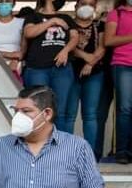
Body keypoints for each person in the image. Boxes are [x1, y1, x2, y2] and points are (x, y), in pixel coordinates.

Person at [22, 0, 80, 133]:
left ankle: (60, 144)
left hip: (62, 69)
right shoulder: (33, 16)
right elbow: (29, 32)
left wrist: (65, 51)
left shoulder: (66, 17)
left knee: (60, 110)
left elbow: (74, 38)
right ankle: (41, 143)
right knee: (39, 110)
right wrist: (52, 21)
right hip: (37, 68)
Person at [64, 0, 107, 155]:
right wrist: (86, 56)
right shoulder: (68, 24)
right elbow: (68, 46)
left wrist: (90, 63)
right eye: (83, 3)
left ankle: (89, 154)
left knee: (90, 115)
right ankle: (67, 153)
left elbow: (102, 47)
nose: (87, 7)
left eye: (91, 4)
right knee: (69, 115)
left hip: (94, 74)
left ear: (95, 7)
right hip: (70, 73)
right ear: (76, 6)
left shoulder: (100, 25)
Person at [105, 0, 132, 163]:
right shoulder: (116, 13)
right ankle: (122, 151)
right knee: (125, 108)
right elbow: (108, 40)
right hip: (123, 64)